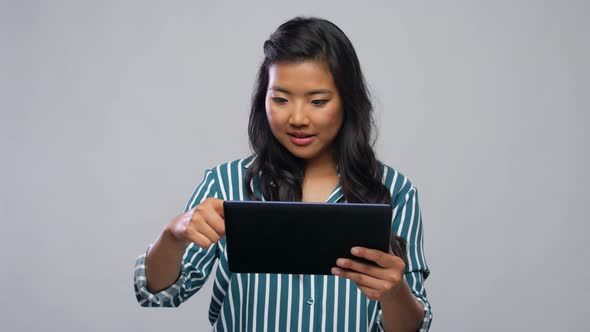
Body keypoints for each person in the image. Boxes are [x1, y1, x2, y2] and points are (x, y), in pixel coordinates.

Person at [134, 16, 432, 332]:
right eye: (280, 99)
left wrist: (394, 290)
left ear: (348, 102)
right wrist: (173, 235)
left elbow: (413, 328)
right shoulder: (225, 183)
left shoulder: (395, 191)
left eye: (318, 101)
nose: (298, 118)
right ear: (263, 99)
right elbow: (158, 293)